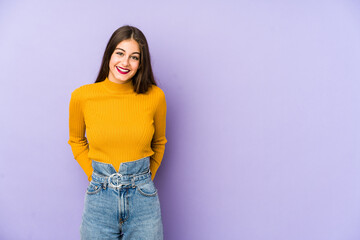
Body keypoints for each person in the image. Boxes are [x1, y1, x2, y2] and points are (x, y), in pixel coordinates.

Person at [67, 25, 167, 240]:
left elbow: (159, 142)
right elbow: (76, 140)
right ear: (109, 55)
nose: (125, 62)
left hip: (143, 199)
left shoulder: (155, 96)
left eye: (134, 57)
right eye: (120, 53)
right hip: (99, 200)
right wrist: (94, 175)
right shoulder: (82, 96)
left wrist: (144, 179)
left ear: (141, 63)